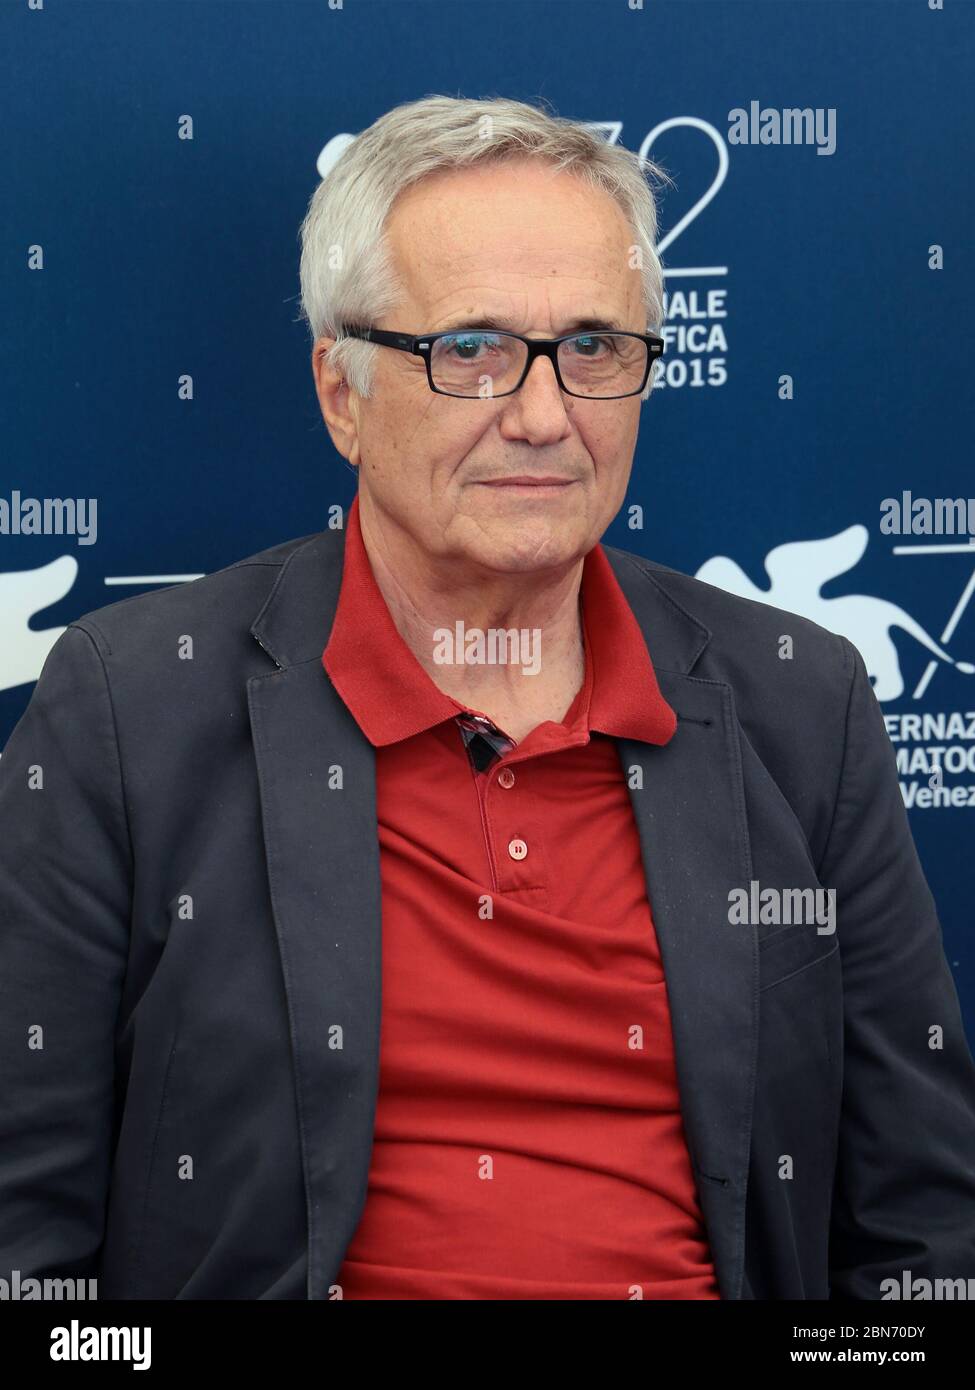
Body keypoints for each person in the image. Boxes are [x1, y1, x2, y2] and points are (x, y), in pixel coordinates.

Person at [1, 94, 974, 1301]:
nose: (544, 416)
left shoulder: (800, 704)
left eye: (594, 349)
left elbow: (922, 1224)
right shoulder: (129, 708)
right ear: (342, 393)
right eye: (469, 350)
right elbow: (24, 1240)